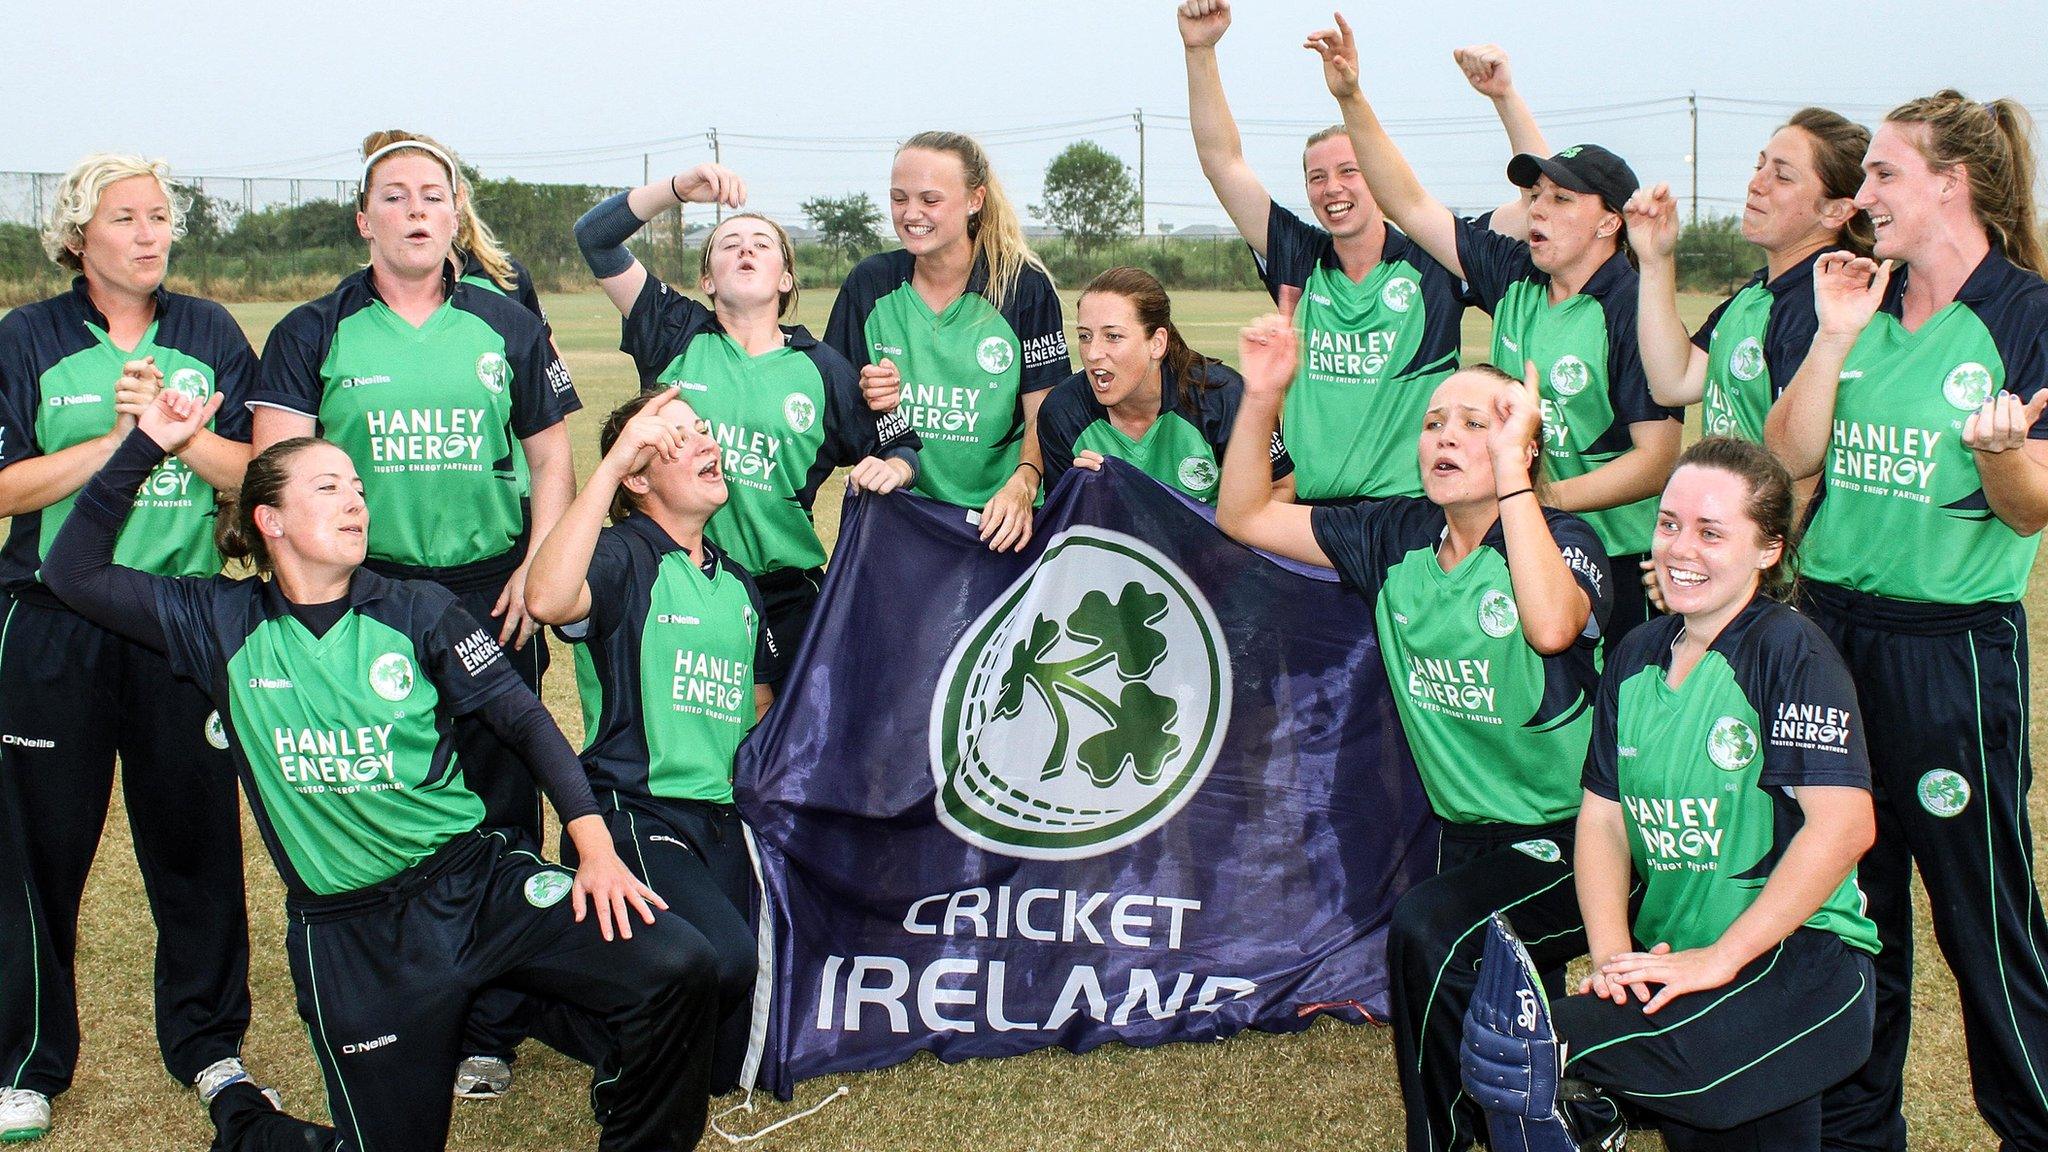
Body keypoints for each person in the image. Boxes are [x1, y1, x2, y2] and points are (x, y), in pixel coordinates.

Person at [46, 391, 722, 1152]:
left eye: (359, 489)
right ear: (269, 521)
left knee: (680, 964)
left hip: (473, 886)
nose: (355, 502)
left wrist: (595, 848)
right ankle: (244, 1122)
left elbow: (524, 721)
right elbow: (71, 572)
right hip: (352, 939)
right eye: (328, 487)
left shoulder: (419, 610)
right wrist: (147, 444)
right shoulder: (218, 622)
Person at [1215, 314, 1610, 1152]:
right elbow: (1245, 513)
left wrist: (1514, 487)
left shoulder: (1564, 542)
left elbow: (1549, 627)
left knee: (1431, 931)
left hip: (1586, 842)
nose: (1446, 435)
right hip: (1470, 838)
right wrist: (1263, 397)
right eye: (1434, 421)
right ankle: (1564, 1116)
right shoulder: (1393, 536)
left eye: (1478, 422)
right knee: (1501, 996)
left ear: (1524, 447)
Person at [245, 132, 581, 1097]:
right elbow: (280, 471)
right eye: (395, 197)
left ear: (456, 216)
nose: (417, 211)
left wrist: (538, 562)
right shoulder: (316, 329)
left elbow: (552, 457)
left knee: (501, 797)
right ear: (366, 221)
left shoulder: (504, 323)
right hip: (372, 596)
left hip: (490, 590)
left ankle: (496, 1023)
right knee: (386, 802)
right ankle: (401, 996)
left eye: (434, 196)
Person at [1763, 90, 2048, 1152]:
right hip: (1831, 637)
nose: (1863, 195)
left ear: (1949, 184)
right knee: (1848, 903)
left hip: (1949, 655)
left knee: (1981, 917)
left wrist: (1996, 451)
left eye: (1882, 174)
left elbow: (2032, 506)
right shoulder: (1852, 300)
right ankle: (1854, 1131)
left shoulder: (2024, 315)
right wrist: (1833, 338)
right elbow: (1790, 456)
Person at [1498, 436, 1878, 1152]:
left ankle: (1594, 1112)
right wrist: (1613, 959)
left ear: (1768, 550)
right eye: (1669, 524)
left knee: (1542, 1046)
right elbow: (1605, 823)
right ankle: (1598, 1108)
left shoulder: (1789, 652)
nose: (1679, 549)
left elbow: (1845, 827)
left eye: (1711, 533)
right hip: (1680, 962)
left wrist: (1722, 957)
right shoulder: (1639, 654)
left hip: (1799, 966)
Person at [0, 153, 258, 1143]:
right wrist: (118, 444)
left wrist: (176, 435)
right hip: (50, 620)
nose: (151, 234)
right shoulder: (25, 339)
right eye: (126, 218)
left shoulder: (208, 333)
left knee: (194, 843)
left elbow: (251, 472)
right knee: (34, 853)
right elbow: (7, 488)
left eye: (160, 217)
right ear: (78, 238)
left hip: (177, 619)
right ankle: (26, 1061)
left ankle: (209, 1044)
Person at [1310, 14, 1680, 648]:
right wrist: (1350, 97)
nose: (1537, 209)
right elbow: (1407, 202)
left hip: (1612, 561)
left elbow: (1657, 460)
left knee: (1599, 723)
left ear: (1608, 224)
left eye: (1561, 201)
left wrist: (1538, 497)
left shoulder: (1629, 306)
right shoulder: (1514, 274)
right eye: (1535, 196)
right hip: (1515, 538)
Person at [526, 388, 786, 1096]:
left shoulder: (736, 584)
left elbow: (758, 714)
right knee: (721, 961)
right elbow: (547, 600)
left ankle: (627, 1015)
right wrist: (608, 465)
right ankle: (525, 998)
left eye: (705, 429)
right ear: (639, 476)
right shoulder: (622, 557)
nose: (707, 442)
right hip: (637, 813)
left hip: (719, 822)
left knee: (727, 1065)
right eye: (678, 438)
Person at [1178, 1, 1542, 503]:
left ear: (1378, 172)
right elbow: (1222, 162)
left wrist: (1504, 97)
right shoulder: (1299, 258)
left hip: (1407, 516)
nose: (1333, 188)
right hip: (1311, 517)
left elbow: (1533, 208)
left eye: (1350, 170)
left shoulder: (1432, 257)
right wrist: (1199, 50)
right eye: (1317, 176)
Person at [572, 163, 920, 652]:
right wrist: (676, 190)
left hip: (781, 594)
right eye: (728, 244)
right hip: (675, 578)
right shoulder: (673, 330)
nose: (746, 249)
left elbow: (900, 446)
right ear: (708, 281)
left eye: (762, 244)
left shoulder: (825, 370)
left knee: (781, 728)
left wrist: (895, 468)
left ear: (785, 280)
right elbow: (594, 237)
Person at [824, 131, 1068, 552]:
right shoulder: (870, 283)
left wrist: (1023, 484)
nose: (911, 213)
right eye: (899, 198)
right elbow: (836, 418)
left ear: (975, 200)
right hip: (896, 517)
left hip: (995, 526)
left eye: (930, 200)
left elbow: (1044, 413)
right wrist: (865, 399)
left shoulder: (1023, 287)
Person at [1629, 109, 1870, 443]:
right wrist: (1655, 259)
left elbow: (1803, 470)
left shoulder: (1825, 309)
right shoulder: (1757, 294)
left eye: (1782, 177)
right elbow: (1674, 382)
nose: (1756, 184)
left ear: (1835, 210)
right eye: (1760, 167)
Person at [1038, 266, 1291, 502]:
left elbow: (1281, 487)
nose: (1092, 353)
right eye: (1085, 336)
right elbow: (1065, 528)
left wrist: (1213, 548)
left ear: (1157, 343)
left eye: (1112, 336)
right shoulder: (1062, 411)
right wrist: (1086, 499)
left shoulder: (1223, 396)